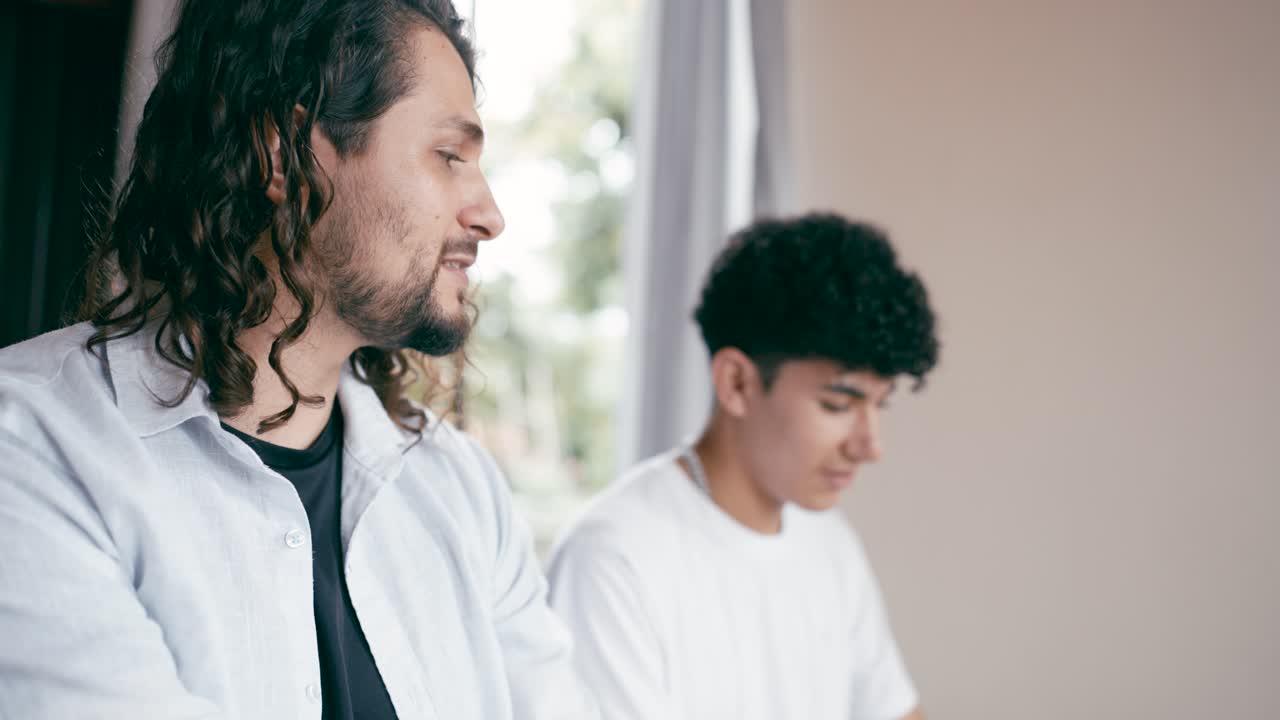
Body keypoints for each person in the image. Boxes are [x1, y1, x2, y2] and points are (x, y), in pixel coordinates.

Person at [0, 1, 597, 718]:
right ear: (281, 154)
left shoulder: (462, 491)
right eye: (448, 156)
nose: (489, 214)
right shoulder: (31, 446)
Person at [547, 213, 940, 720]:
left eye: (880, 405)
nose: (870, 446)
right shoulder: (613, 555)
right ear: (736, 382)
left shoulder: (828, 538)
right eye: (838, 405)